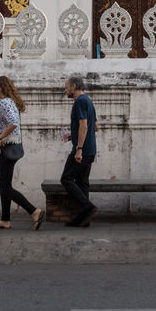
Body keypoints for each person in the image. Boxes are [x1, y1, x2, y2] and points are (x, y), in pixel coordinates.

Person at [0, 75, 44, 230]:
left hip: (8, 146)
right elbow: (9, 123)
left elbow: (13, 124)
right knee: (5, 184)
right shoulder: (10, 102)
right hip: (12, 145)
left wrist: (0, 138)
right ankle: (5, 220)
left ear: (1, 88)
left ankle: (34, 211)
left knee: (3, 186)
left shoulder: (4, 102)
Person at [61, 74, 98, 227]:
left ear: (73, 87)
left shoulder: (80, 101)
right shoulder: (88, 100)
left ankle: (88, 207)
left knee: (66, 179)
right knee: (82, 183)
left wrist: (79, 149)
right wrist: (72, 136)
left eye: (66, 87)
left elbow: (84, 125)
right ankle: (84, 218)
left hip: (83, 150)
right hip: (90, 148)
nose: (65, 91)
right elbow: (95, 126)